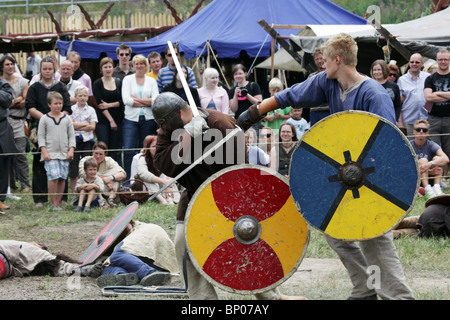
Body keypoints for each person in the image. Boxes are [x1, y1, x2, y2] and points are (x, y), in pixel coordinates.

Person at [238, 33, 414, 300]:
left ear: (338, 59)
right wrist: (254, 112)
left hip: (374, 181)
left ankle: (398, 297)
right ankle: (366, 287)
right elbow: (290, 96)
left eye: (325, 60)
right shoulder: (328, 83)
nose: (321, 64)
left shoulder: (374, 95)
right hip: (346, 176)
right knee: (335, 231)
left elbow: (389, 145)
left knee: (374, 240)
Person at [152, 91, 304, 300]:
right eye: (162, 125)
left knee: (247, 239)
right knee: (183, 243)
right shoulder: (168, 130)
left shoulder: (219, 123)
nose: (163, 129)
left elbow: (237, 169)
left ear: (179, 112)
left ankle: (271, 296)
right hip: (195, 194)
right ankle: (203, 300)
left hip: (230, 195)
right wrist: (187, 137)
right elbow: (164, 164)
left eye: (165, 124)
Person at [26, 55, 72, 208]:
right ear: (40, 70)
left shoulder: (61, 87)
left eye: (50, 69)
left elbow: (67, 108)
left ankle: (61, 199)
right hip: (39, 126)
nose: (47, 71)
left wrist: (57, 119)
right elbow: (30, 107)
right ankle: (40, 199)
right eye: (44, 69)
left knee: (61, 161)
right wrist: (47, 118)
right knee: (40, 162)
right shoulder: (34, 87)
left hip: (60, 127)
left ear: (54, 69)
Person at [96, 220, 178, 288]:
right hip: (153, 260)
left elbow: (117, 254)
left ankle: (150, 273)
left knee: (116, 256)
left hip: (149, 233)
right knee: (108, 265)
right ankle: (121, 275)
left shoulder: (134, 229)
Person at [121, 54, 159, 181]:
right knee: (128, 150)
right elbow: (126, 100)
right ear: (133, 65)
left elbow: (155, 100)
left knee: (146, 151)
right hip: (131, 119)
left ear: (146, 65)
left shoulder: (151, 81)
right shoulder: (128, 79)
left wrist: (136, 100)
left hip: (148, 120)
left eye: (142, 63)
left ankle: (145, 179)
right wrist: (145, 101)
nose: (139, 66)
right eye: (137, 64)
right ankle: (127, 180)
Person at [37, 91, 76, 211]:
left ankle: (59, 202)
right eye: (55, 103)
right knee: (53, 178)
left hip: (64, 153)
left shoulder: (67, 119)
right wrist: (44, 152)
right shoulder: (44, 119)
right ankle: (53, 203)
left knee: (61, 178)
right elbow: (41, 137)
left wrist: (71, 150)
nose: (58, 106)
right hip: (50, 153)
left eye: (60, 103)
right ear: (49, 104)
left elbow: (71, 136)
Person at [1, 55, 31, 193]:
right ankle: (10, 185)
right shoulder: (1, 82)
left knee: (20, 153)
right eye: (7, 64)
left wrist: (9, 103)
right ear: (2, 66)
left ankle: (25, 184)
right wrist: (15, 101)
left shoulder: (23, 81)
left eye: (12, 64)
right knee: (6, 154)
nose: (10, 67)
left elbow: (26, 101)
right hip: (4, 121)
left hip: (19, 120)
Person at [0, 240, 95, 280]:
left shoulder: (32, 251)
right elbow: (59, 266)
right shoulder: (27, 247)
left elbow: (59, 265)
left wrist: (82, 269)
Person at [424, 49, 450, 185]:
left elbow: (433, 96)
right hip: (434, 119)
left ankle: (445, 178)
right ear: (437, 60)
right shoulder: (430, 78)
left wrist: (437, 94)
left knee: (448, 149)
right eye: (440, 59)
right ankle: (437, 180)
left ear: (449, 61)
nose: (443, 62)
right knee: (436, 149)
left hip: (449, 118)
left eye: (445, 59)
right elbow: (428, 97)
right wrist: (447, 94)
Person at [93, 57, 124, 166]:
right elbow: (100, 105)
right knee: (103, 148)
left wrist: (109, 104)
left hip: (118, 118)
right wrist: (111, 121)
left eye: (110, 67)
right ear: (101, 69)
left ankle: (116, 172)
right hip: (103, 120)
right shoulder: (97, 83)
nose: (108, 69)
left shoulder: (119, 82)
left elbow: (122, 101)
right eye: (105, 67)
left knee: (115, 149)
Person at [68, 86, 98, 194]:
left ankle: (87, 190)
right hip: (74, 140)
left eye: (85, 95)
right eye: (80, 96)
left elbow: (92, 127)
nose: (82, 98)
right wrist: (85, 124)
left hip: (87, 140)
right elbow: (70, 125)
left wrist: (77, 125)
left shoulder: (91, 110)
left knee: (87, 164)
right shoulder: (71, 109)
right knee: (73, 167)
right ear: (75, 97)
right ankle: (73, 192)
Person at [79, 141, 126, 207]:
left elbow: (123, 174)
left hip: (107, 189)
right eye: (96, 153)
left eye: (101, 154)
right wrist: (105, 180)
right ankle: (101, 200)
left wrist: (110, 178)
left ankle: (111, 199)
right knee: (91, 179)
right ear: (92, 152)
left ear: (105, 154)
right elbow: (84, 174)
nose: (98, 156)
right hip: (89, 190)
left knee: (116, 175)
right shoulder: (85, 160)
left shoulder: (109, 160)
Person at [410, 119, 449, 198]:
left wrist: (430, 164)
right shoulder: (409, 145)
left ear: (427, 133)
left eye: (424, 130)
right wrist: (429, 170)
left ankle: (437, 188)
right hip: (413, 178)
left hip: (428, 177)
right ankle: (428, 190)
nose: (421, 132)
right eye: (418, 129)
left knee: (437, 159)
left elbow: (446, 159)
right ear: (414, 132)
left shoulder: (431, 144)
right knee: (422, 160)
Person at [135, 135, 178, 205]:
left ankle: (170, 199)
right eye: (153, 146)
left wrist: (168, 183)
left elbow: (173, 171)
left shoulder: (166, 157)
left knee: (165, 175)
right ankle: (162, 201)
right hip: (150, 188)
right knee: (148, 179)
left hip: (165, 184)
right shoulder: (143, 158)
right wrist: (164, 182)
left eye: (158, 146)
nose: (156, 149)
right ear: (148, 148)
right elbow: (143, 173)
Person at [397, 53, 430, 136]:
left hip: (426, 120)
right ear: (409, 63)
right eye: (412, 62)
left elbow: (431, 97)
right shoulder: (402, 80)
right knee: (410, 147)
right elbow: (399, 103)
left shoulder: (428, 77)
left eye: (417, 62)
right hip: (408, 120)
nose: (414, 64)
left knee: (427, 146)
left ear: (422, 64)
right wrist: (400, 122)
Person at [0, 78, 17, 212]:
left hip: (2, 126)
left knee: (3, 163)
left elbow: (7, 101)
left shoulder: (4, 84)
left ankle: (0, 199)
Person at [308, 48, 330, 125]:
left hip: (329, 110)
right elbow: (309, 94)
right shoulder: (311, 76)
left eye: (321, 58)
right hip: (315, 110)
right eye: (317, 59)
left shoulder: (332, 74)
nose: (319, 61)